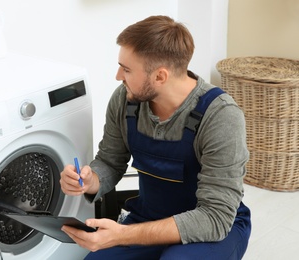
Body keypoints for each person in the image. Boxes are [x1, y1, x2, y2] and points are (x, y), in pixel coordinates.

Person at [60, 15, 251, 259]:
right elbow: (109, 162)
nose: (118, 76)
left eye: (127, 69)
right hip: (149, 218)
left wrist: (121, 234)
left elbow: (214, 217)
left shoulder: (221, 116)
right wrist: (90, 181)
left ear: (160, 76)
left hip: (214, 228)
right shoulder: (125, 100)